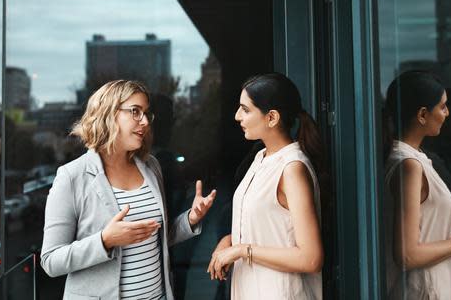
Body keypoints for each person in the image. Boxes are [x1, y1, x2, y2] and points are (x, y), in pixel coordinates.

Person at [41, 79, 216, 300]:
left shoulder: (151, 166)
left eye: (146, 114)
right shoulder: (72, 177)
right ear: (108, 114)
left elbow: (157, 236)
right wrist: (105, 240)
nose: (144, 121)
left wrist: (190, 219)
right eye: (135, 111)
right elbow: (50, 261)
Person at [207, 72, 324, 300]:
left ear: (272, 118)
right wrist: (230, 240)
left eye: (246, 109)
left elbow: (311, 258)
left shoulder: (292, 168)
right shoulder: (261, 157)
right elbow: (270, 224)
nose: (237, 116)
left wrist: (242, 250)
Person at [382, 71, 451, 300]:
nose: (447, 114)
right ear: (423, 114)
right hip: (424, 291)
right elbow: (407, 253)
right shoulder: (408, 166)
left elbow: (424, 225)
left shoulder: (413, 159)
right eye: (443, 107)